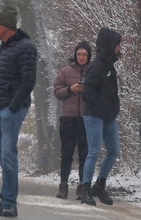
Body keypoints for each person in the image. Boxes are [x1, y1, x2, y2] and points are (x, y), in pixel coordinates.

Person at [0, 6, 37, 217]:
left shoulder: (26, 47)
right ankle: (5, 199)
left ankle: (9, 204)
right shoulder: (1, 49)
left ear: (5, 26)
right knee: (2, 157)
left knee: (9, 156)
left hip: (12, 110)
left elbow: (28, 80)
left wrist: (13, 107)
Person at [80, 27, 122, 206]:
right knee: (94, 152)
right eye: (118, 44)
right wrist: (100, 110)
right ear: (110, 45)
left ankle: (100, 185)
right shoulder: (96, 67)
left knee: (113, 151)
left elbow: (112, 93)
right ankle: (85, 190)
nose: (119, 47)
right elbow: (87, 94)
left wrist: (114, 109)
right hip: (93, 116)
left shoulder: (110, 67)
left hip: (108, 117)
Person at [54, 41, 91, 200]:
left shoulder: (93, 72)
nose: (81, 57)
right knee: (66, 153)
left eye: (84, 54)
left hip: (87, 118)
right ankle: (63, 184)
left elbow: (101, 91)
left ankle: (82, 185)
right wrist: (70, 89)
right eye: (79, 54)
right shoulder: (65, 71)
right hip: (68, 118)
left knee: (85, 154)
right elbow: (56, 91)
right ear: (75, 55)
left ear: (89, 56)